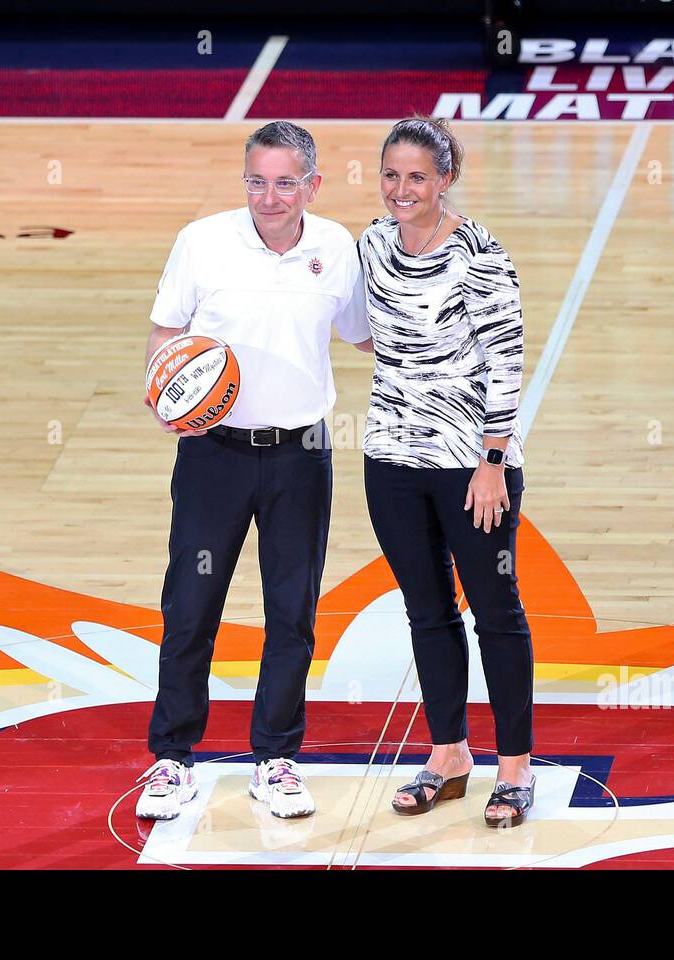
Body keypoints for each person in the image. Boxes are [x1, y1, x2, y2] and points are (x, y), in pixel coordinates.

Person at [136, 121, 373, 821]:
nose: (269, 198)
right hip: (214, 455)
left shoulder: (336, 247)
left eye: (284, 183)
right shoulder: (203, 241)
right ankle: (173, 760)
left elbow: (362, 333)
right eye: (257, 182)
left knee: (292, 613)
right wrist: (161, 391)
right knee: (190, 607)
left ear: (313, 185)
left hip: (301, 456)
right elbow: (165, 330)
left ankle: (277, 759)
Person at [358, 116, 536, 827]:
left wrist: (492, 461)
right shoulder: (370, 243)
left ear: (446, 179)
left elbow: (506, 360)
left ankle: (516, 769)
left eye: (418, 177)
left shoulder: (481, 254)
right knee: (425, 611)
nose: (403, 190)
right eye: (392, 175)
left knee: (496, 613)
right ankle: (450, 755)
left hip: (470, 465)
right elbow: (362, 326)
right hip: (391, 459)